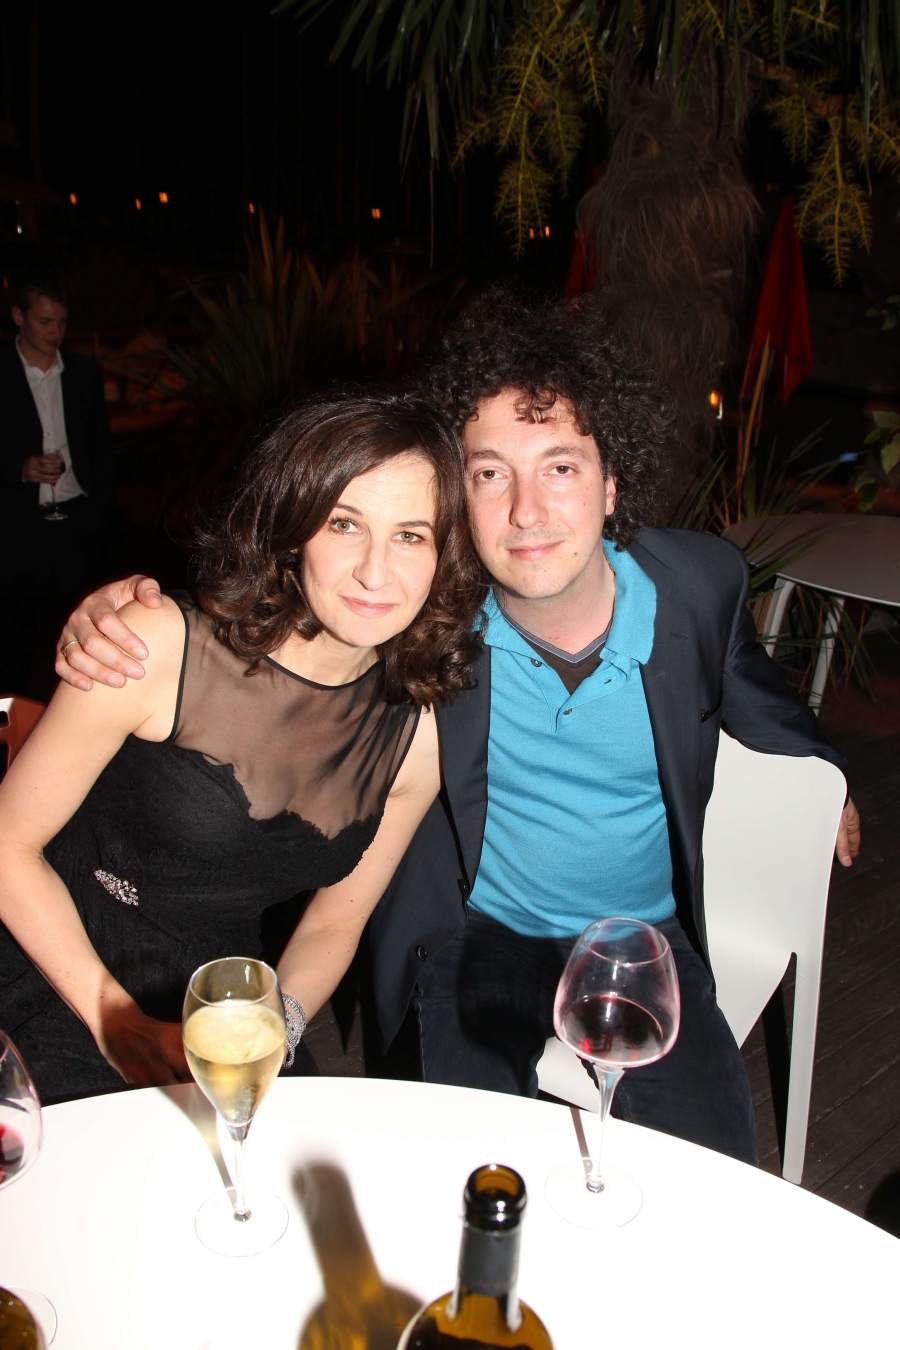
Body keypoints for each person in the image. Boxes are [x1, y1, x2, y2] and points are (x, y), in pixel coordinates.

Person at [55, 296, 860, 1163]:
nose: (526, 511)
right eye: (488, 474)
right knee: (465, 1166)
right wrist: (117, 608)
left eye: (560, 467)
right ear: (456, 502)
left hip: (643, 940)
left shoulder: (699, 588)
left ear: (612, 480)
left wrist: (825, 774)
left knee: (709, 1173)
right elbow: (292, 616)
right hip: (484, 938)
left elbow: (757, 693)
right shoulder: (425, 621)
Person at [0, 389, 484, 1103]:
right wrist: (116, 1022)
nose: (375, 571)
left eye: (410, 536)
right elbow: (8, 846)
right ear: (293, 530)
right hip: (54, 971)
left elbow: (336, 920)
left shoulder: (416, 735)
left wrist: (279, 1026)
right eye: (344, 523)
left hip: (222, 1004)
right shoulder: (157, 646)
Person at [0, 274, 115, 697]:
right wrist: (19, 469)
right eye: (45, 321)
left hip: (75, 525)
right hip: (18, 526)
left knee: (75, 642)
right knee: (13, 641)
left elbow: (101, 450)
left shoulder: (83, 373)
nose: (55, 332)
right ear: (18, 316)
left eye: (62, 322)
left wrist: (98, 513)